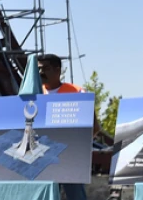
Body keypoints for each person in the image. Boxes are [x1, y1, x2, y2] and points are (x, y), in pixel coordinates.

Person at [37, 54, 89, 200]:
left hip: (70, 158)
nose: (41, 73)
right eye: (38, 69)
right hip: (43, 158)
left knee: (76, 195)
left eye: (45, 68)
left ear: (57, 70)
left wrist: (78, 148)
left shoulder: (77, 92)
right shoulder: (35, 94)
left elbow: (94, 127)